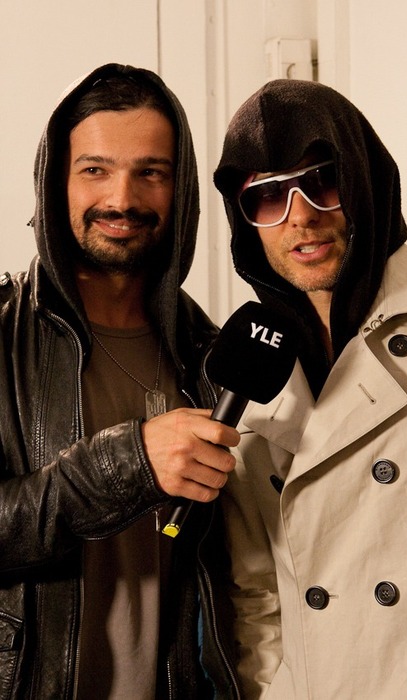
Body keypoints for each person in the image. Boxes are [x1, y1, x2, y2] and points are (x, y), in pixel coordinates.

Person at [213, 78, 407, 699]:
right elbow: (255, 590)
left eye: (322, 180)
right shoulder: (245, 368)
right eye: (267, 196)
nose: (300, 216)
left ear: (364, 179)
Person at [0, 63, 242, 699]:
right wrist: (128, 464)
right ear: (55, 181)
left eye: (150, 172)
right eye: (95, 170)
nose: (122, 199)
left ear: (179, 189)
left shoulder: (210, 354)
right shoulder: (1, 338)